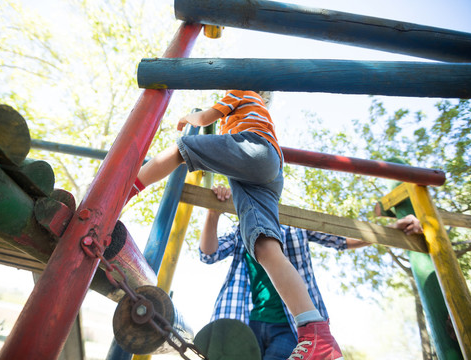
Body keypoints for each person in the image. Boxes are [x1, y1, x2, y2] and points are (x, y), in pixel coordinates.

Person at [126, 90, 344, 359]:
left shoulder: (241, 91)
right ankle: (315, 333)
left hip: (253, 149)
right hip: (266, 169)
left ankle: (125, 190)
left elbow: (206, 118)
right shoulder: (258, 111)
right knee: (264, 247)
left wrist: (190, 117)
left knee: (183, 149)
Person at [200, 185, 424, 360]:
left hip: (290, 325)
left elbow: (340, 239)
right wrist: (213, 214)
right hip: (249, 320)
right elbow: (209, 254)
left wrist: (390, 230)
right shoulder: (242, 229)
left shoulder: (293, 224)